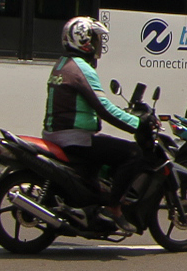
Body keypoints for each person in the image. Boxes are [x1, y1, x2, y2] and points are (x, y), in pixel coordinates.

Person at [42, 16, 147, 216]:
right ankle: (114, 207)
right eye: (95, 39)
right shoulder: (81, 69)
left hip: (57, 134)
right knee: (133, 153)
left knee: (105, 152)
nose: (98, 45)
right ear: (83, 40)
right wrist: (137, 123)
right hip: (75, 139)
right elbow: (103, 108)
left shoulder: (62, 64)